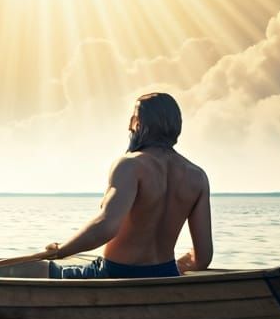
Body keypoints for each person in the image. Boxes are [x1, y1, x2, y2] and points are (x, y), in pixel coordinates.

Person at [46, 92, 212, 278]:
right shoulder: (198, 177)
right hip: (166, 274)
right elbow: (203, 257)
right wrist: (169, 271)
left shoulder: (130, 165)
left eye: (133, 118)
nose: (129, 126)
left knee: (36, 270)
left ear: (141, 123)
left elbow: (106, 226)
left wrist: (61, 250)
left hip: (114, 273)